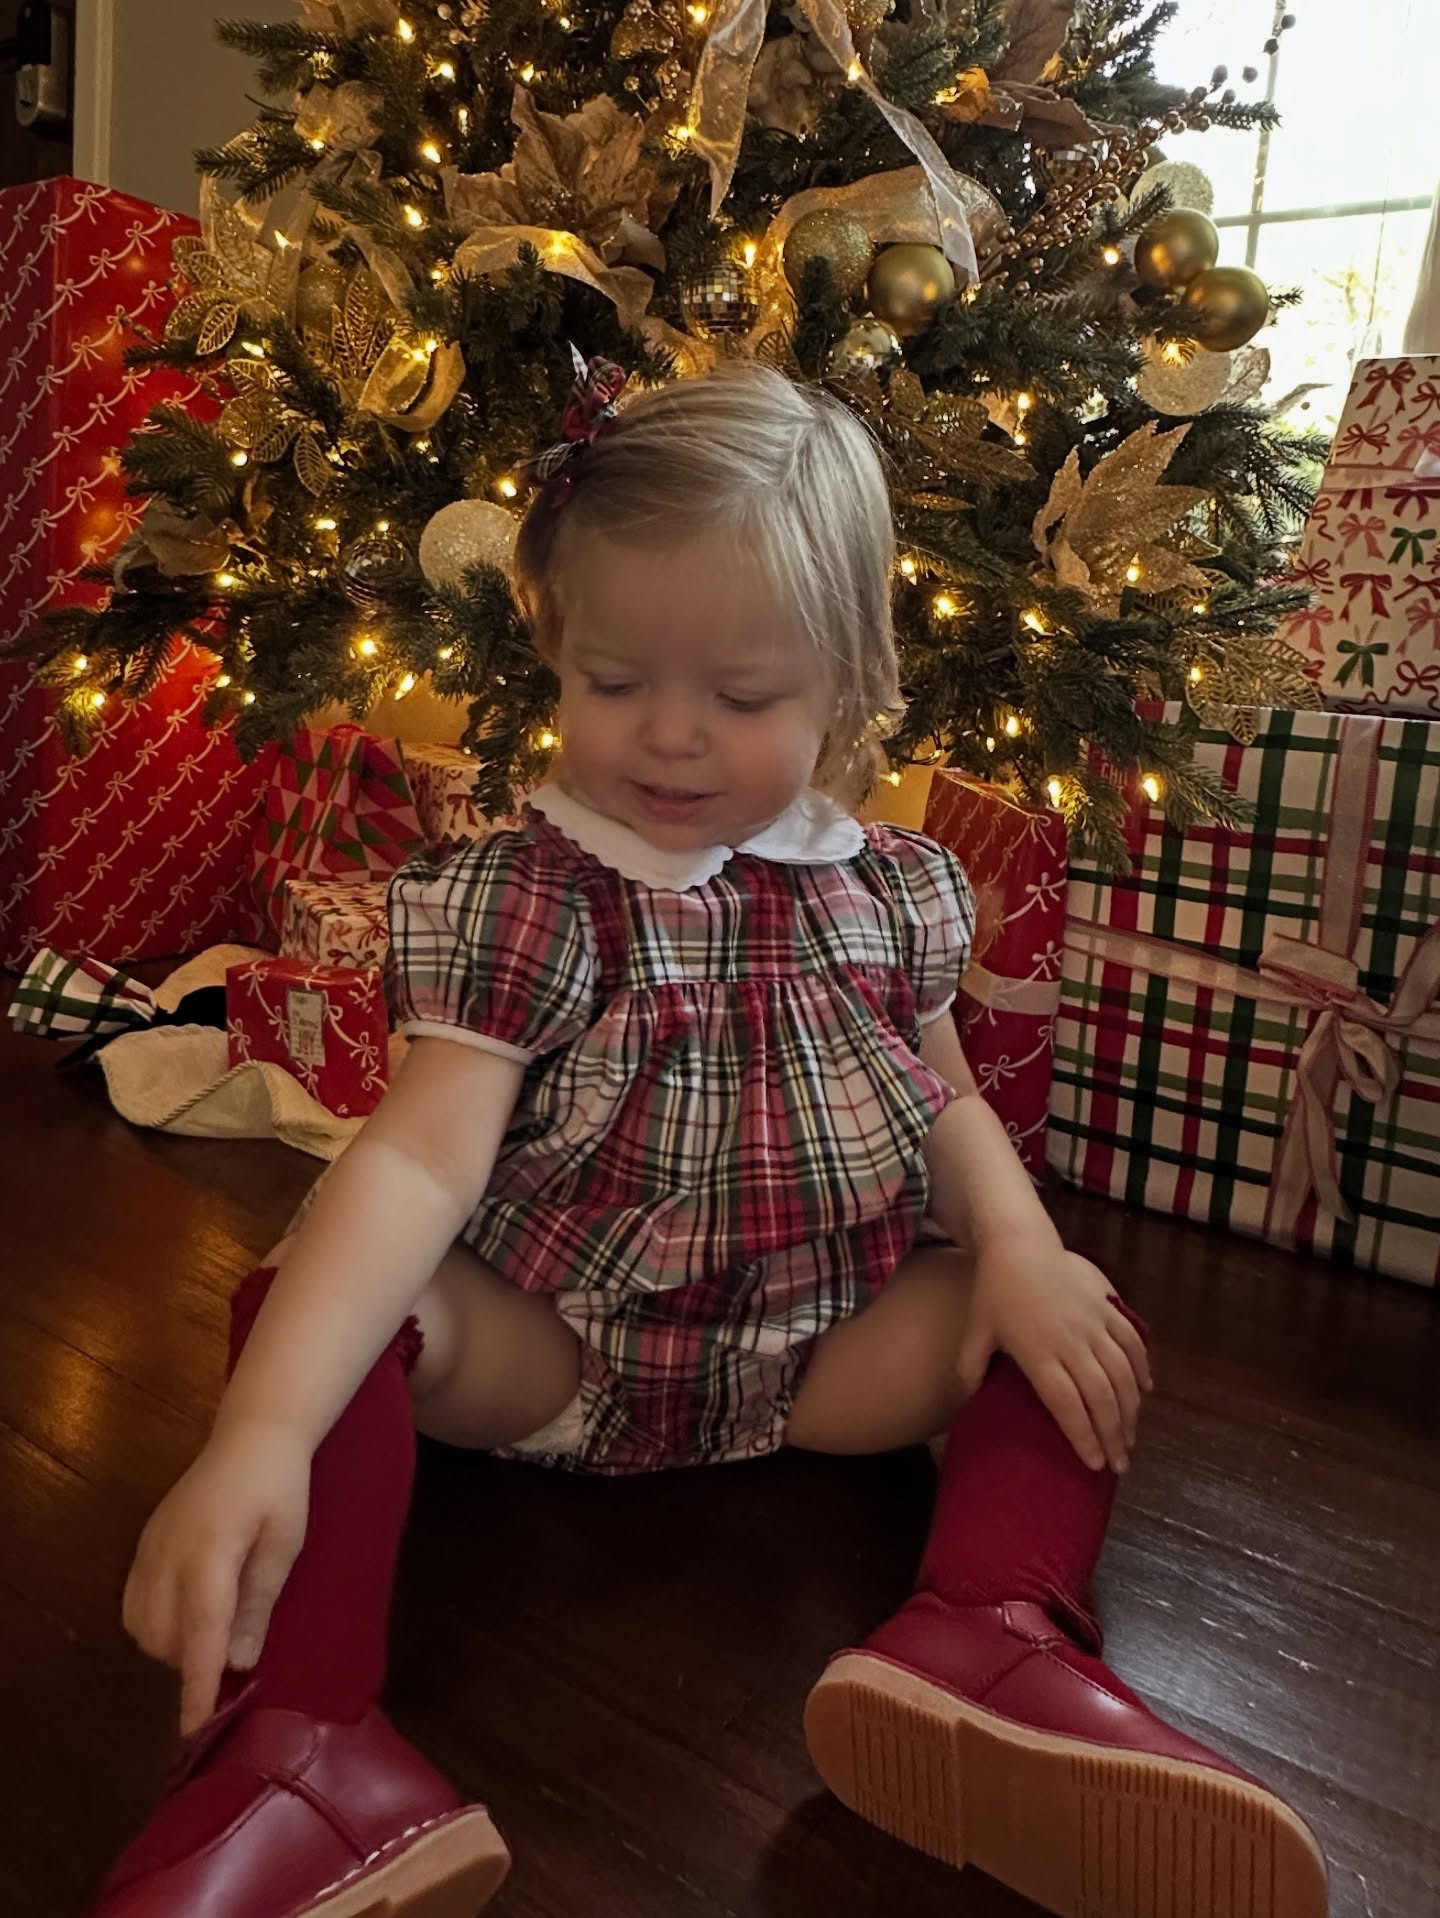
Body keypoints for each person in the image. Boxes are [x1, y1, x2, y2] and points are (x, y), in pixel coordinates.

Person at [92, 361, 1328, 1918]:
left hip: (824, 1360)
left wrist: (1020, 1247)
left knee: (1065, 1310)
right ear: (553, 647)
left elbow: (946, 1097)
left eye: (741, 700)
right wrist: (261, 1430)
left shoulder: (890, 887)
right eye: (613, 682)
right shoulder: (528, 892)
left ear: (844, 685)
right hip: (552, 1346)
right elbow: (416, 1162)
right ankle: (304, 1748)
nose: (670, 737)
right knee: (323, 1303)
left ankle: (989, 1636)